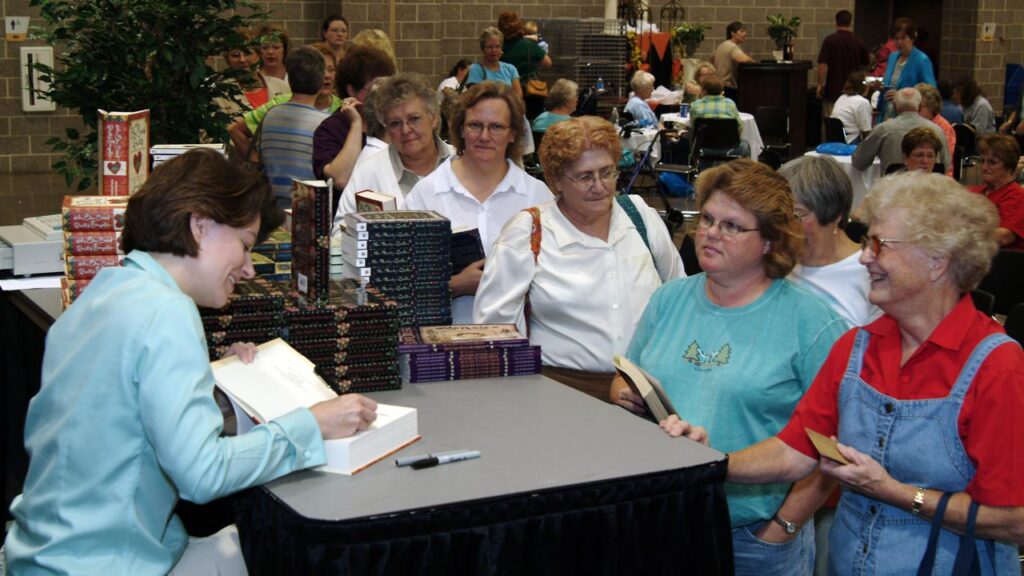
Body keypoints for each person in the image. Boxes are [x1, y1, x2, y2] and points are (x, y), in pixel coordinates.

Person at [3, 149, 379, 574]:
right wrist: (312, 424)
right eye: (244, 245)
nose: (249, 269)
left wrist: (210, 380)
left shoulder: (107, 290)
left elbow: (117, 406)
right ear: (199, 224)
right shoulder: (168, 312)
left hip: (44, 553)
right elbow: (202, 475)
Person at [723, 171, 1024, 575]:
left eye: (879, 245)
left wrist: (895, 493)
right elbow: (794, 452)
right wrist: (706, 464)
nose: (865, 257)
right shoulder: (856, 347)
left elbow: (1014, 517)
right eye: (867, 243)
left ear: (937, 262)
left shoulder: (995, 364)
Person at [611, 159, 846, 575]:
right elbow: (624, 378)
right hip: (662, 522)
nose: (710, 233)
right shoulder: (669, 300)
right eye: (707, 218)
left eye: (732, 226)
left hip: (753, 535)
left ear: (771, 241)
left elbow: (832, 445)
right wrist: (624, 394)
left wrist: (783, 527)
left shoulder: (811, 322)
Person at [474, 116, 684, 400]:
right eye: (585, 177)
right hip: (562, 393)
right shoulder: (528, 233)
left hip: (646, 389)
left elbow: (679, 298)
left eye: (607, 172)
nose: (599, 186)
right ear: (556, 180)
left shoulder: (639, 216)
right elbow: (495, 331)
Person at [404, 81, 553, 324]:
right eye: (475, 125)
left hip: (515, 343)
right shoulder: (426, 195)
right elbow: (402, 284)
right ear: (461, 129)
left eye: (496, 127)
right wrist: (455, 285)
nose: (484, 136)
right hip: (443, 343)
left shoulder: (536, 197)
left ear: (513, 133)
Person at [333, 73, 454, 223]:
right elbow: (340, 232)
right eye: (395, 123)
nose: (406, 130)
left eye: (414, 119)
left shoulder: (462, 161)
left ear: (434, 118)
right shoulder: (368, 172)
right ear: (386, 127)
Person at [782, 156, 881, 328]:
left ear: (835, 216)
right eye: (780, 212)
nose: (785, 224)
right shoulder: (775, 261)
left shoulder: (869, 272)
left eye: (797, 214)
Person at [226, 43, 342, 160]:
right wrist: (256, 163)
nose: (327, 75)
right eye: (322, 70)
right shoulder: (279, 103)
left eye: (331, 69)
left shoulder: (343, 108)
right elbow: (235, 130)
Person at [312, 45, 396, 203]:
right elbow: (341, 179)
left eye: (387, 88)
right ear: (351, 90)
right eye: (374, 89)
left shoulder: (392, 123)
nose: (383, 96)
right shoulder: (331, 129)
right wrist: (356, 125)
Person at [257, 47, 331, 208]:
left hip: (271, 208)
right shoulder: (326, 125)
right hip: (308, 210)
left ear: (289, 79)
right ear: (321, 81)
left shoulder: (270, 115)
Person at [853, 87, 947, 175]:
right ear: (919, 106)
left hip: (892, 188)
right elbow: (945, 165)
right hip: (929, 188)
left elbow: (859, 162)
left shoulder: (883, 129)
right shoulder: (937, 131)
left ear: (895, 106)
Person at [969, 134, 1024, 250]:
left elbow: (1004, 236)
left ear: (1009, 166)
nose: (984, 166)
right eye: (982, 161)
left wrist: (962, 238)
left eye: (992, 162)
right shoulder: (975, 191)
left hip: (1004, 262)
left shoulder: (1016, 195)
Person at [877, 18, 936, 122]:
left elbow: (931, 93)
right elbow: (888, 83)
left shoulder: (921, 60)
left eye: (904, 38)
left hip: (909, 118)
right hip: (887, 114)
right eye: (896, 38)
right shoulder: (892, 57)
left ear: (912, 38)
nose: (899, 42)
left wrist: (901, 96)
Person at [815, 10, 870, 117]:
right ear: (850, 23)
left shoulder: (830, 41)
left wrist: (820, 85)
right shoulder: (858, 41)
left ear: (836, 23)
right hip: (854, 92)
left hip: (833, 91)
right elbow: (866, 65)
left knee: (831, 124)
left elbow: (823, 66)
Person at [466, 27, 522, 99]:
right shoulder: (476, 69)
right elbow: (475, 97)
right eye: (489, 47)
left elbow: (518, 96)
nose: (494, 50)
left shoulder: (511, 69)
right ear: (483, 49)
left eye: (497, 46)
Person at [497, 11, 551, 85]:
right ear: (519, 26)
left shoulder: (497, 48)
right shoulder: (529, 45)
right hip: (530, 90)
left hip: (507, 89)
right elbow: (548, 63)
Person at [915, 82, 955, 176]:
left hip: (938, 176)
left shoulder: (944, 127)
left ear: (931, 106)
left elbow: (944, 161)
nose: (915, 110)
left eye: (919, 107)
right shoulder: (916, 123)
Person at [712, 21, 756, 100]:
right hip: (727, 86)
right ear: (732, 33)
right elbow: (743, 59)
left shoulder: (722, 45)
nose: (745, 34)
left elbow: (711, 59)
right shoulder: (732, 46)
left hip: (719, 84)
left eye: (745, 31)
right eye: (742, 31)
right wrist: (756, 64)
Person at [829, 71, 872, 144]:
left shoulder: (841, 97)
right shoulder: (862, 102)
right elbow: (866, 131)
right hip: (850, 141)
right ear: (864, 86)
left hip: (834, 139)